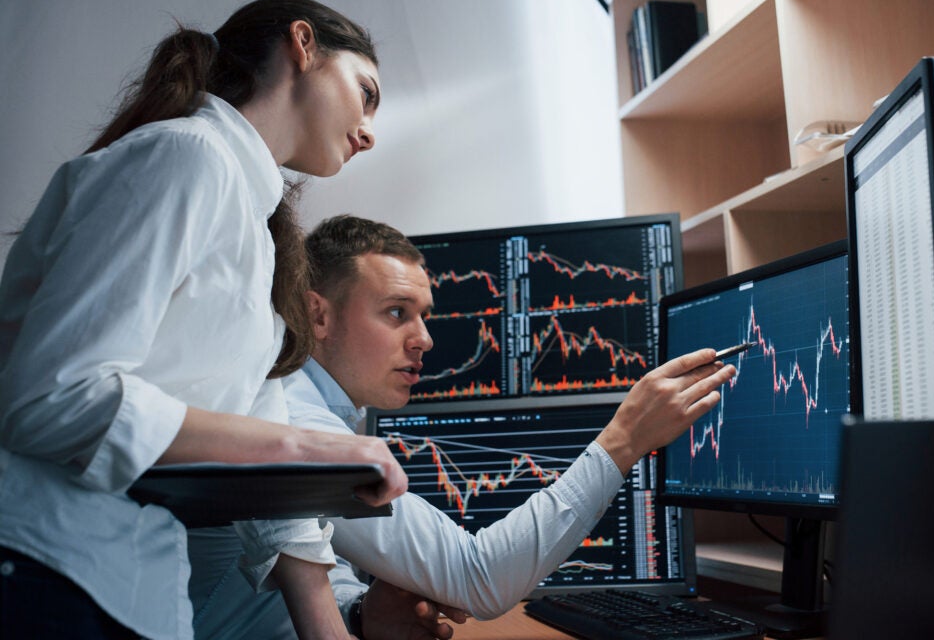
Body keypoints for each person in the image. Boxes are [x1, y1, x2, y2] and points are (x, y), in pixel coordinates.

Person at [0, 0, 410, 640]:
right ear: (302, 46)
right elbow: (53, 399)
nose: (368, 131)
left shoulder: (257, 226)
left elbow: (261, 432)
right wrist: (311, 447)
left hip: (133, 590)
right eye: (366, 93)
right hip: (45, 568)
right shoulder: (183, 157)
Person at [189, 214, 737, 639]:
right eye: (397, 312)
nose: (425, 339)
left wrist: (361, 612)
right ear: (318, 316)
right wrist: (625, 440)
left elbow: (278, 571)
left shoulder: (308, 407)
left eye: (425, 315)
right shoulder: (299, 426)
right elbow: (480, 579)